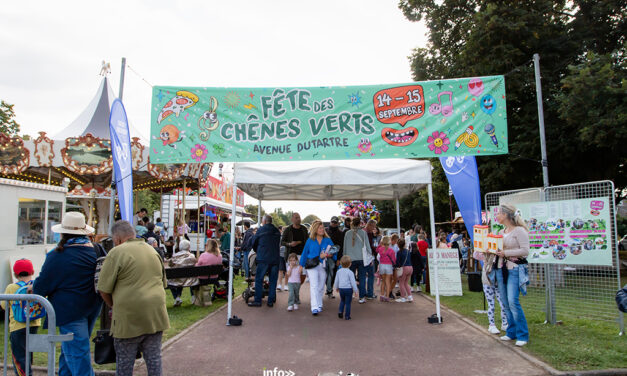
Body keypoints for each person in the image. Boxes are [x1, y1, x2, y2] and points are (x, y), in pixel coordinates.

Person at [33, 212, 102, 376]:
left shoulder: (57, 255)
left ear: (63, 232)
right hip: (93, 305)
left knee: (77, 354)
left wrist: (34, 288)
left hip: (68, 310)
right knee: (69, 350)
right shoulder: (97, 250)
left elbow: (41, 286)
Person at [98, 220, 169, 376]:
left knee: (124, 363)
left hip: (129, 316)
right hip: (155, 314)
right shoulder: (152, 251)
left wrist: (114, 306)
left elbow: (103, 289)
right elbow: (163, 283)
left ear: (117, 239)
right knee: (154, 360)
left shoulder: (116, 253)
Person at [495, 204, 530, 347]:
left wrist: (506, 253)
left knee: (512, 301)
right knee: (505, 301)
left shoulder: (519, 231)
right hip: (503, 269)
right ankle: (511, 331)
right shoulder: (503, 231)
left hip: (515, 269)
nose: (497, 216)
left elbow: (525, 250)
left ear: (505, 215)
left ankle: (522, 334)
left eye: (499, 213)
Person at [2, 259, 41, 376]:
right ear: (32, 271)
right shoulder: (37, 285)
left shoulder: (11, 287)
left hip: (17, 327)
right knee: (28, 354)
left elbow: (4, 306)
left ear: (15, 274)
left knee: (19, 357)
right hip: (34, 324)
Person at [300, 220, 333, 315]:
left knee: (321, 285)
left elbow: (333, 252)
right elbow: (304, 253)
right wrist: (301, 266)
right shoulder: (310, 240)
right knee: (314, 285)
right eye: (320, 228)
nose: (322, 229)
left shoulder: (328, 240)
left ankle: (319, 303)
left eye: (322, 228)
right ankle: (314, 307)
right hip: (312, 265)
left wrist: (328, 255)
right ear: (315, 229)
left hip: (323, 266)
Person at [248, 215, 282, 307]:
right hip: (275, 258)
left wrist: (257, 250)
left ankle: (258, 300)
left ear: (264, 221)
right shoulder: (276, 230)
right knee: (273, 280)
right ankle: (270, 301)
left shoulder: (261, 230)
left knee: (259, 279)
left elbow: (254, 242)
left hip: (263, 258)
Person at [473, 248, 509, 335]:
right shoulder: (485, 254)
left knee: (503, 303)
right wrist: (483, 250)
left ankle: (504, 323)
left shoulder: (501, 256)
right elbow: (475, 255)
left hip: (498, 282)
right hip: (488, 281)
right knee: (491, 304)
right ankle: (491, 325)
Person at [343, 217, 374, 304]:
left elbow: (345, 247)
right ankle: (361, 297)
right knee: (362, 278)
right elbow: (368, 246)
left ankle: (350, 294)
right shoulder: (363, 233)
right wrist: (370, 257)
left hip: (350, 259)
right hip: (361, 259)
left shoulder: (347, 233)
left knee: (350, 278)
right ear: (360, 224)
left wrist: (344, 257)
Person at [167, 239, 198, 306]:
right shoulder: (192, 256)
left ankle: (177, 297)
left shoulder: (175, 256)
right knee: (187, 277)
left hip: (178, 279)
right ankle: (193, 296)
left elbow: (170, 264)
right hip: (190, 279)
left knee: (173, 280)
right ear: (189, 247)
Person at [281, 213, 309, 283]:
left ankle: (298, 286)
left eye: (299, 217)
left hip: (301, 254)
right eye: (296, 218)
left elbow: (307, 241)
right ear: (292, 219)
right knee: (290, 273)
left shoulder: (304, 229)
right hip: (291, 255)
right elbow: (282, 242)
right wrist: (290, 244)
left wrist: (299, 243)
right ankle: (290, 287)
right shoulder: (288, 229)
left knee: (303, 273)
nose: (298, 219)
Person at [334, 255, 358, 320]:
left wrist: (336, 287)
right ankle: (347, 316)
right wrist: (356, 290)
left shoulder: (338, 271)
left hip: (341, 288)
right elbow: (353, 282)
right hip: (348, 289)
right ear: (350, 264)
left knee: (342, 301)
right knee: (348, 303)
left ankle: (340, 311)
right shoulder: (350, 272)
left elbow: (336, 280)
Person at [324, 216, 343, 298]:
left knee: (332, 274)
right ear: (330, 222)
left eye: (335, 222)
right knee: (325, 274)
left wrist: (339, 259)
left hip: (334, 257)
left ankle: (329, 290)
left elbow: (341, 247)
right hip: (324, 256)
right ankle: (328, 289)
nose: (334, 224)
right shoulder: (325, 231)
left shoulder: (340, 233)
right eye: (332, 222)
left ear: (337, 223)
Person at [376, 236, 396, 302]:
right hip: (389, 266)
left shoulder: (380, 249)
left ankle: (381, 296)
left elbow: (376, 250)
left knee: (383, 281)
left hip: (382, 265)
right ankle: (387, 296)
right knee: (388, 282)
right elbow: (394, 260)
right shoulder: (391, 250)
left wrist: (380, 243)